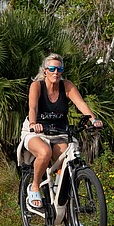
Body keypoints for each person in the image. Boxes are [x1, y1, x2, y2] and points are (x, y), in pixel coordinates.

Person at [22, 53, 103, 208]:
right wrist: (34, 123)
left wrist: (93, 119)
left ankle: (67, 212)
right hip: (36, 131)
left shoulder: (66, 85)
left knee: (67, 163)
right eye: (51, 68)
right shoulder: (37, 86)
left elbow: (81, 104)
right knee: (44, 152)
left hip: (59, 132)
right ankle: (34, 186)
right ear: (45, 71)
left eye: (59, 69)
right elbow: (32, 108)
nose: (56, 72)